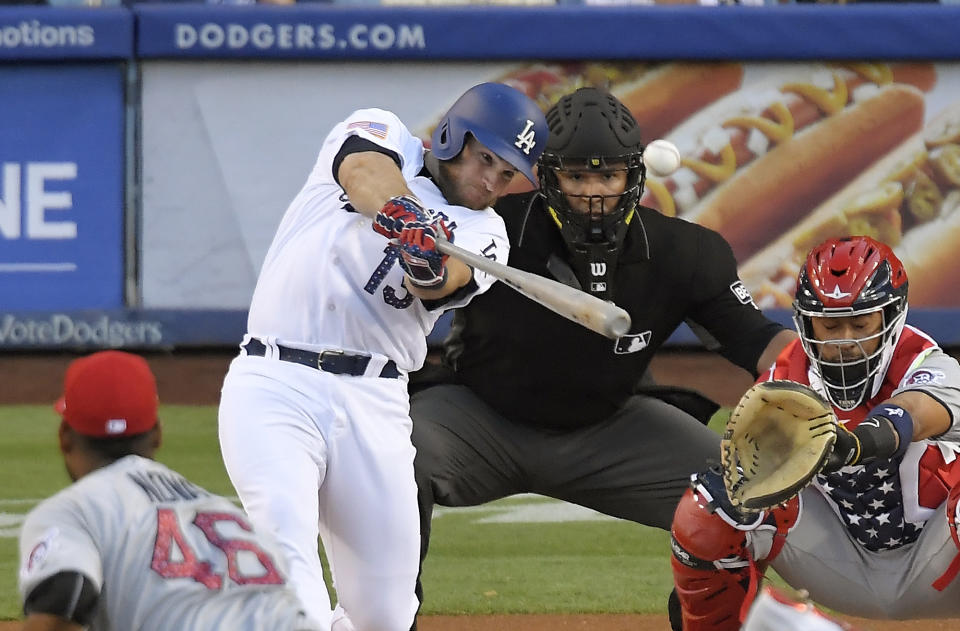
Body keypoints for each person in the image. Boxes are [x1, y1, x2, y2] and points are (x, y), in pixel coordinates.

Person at [409, 86, 796, 625]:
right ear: (548, 177)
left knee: (748, 496)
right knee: (385, 455)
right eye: (577, 177)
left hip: (610, 428)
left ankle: (707, 619)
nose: (593, 193)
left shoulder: (687, 252)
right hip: (478, 421)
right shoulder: (493, 224)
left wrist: (824, 380)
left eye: (608, 176)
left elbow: (757, 340)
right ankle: (387, 614)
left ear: (633, 176)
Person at [217, 82, 547, 631]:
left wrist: (425, 262)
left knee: (387, 615)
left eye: (508, 173)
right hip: (275, 383)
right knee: (290, 573)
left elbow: (443, 281)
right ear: (452, 137)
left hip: (374, 400)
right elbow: (364, 172)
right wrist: (407, 218)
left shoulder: (486, 234)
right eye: (485, 158)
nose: (492, 180)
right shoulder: (383, 131)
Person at [670, 235, 960, 630]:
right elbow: (743, 476)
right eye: (830, 325)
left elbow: (914, 411)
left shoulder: (930, 364)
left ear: (892, 317)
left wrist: (855, 444)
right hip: (840, 562)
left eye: (860, 324)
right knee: (715, 502)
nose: (845, 342)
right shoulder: (782, 384)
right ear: (807, 324)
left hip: (938, 560)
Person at [17, 350, 317, 631]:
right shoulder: (231, 517)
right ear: (158, 434)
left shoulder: (75, 510)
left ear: (64, 437)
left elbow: (65, 602)